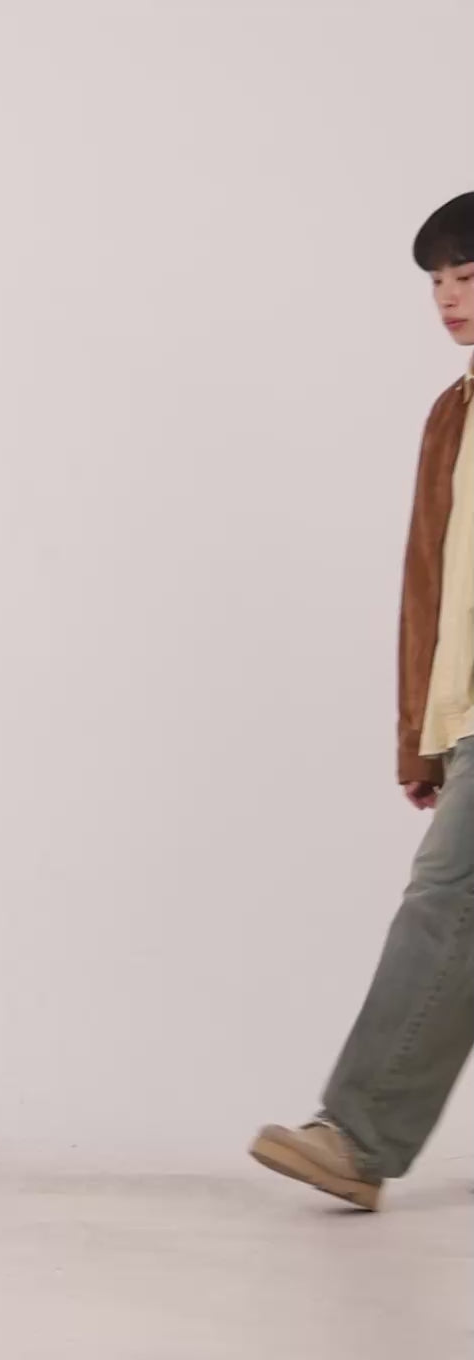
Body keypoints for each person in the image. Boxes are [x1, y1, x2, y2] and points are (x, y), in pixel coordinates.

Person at [250, 191, 474, 1212]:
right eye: (436, 282)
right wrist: (420, 738)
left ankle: (360, 1136)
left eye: (466, 276)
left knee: (447, 901)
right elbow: (431, 584)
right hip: (464, 712)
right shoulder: (452, 412)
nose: (448, 298)